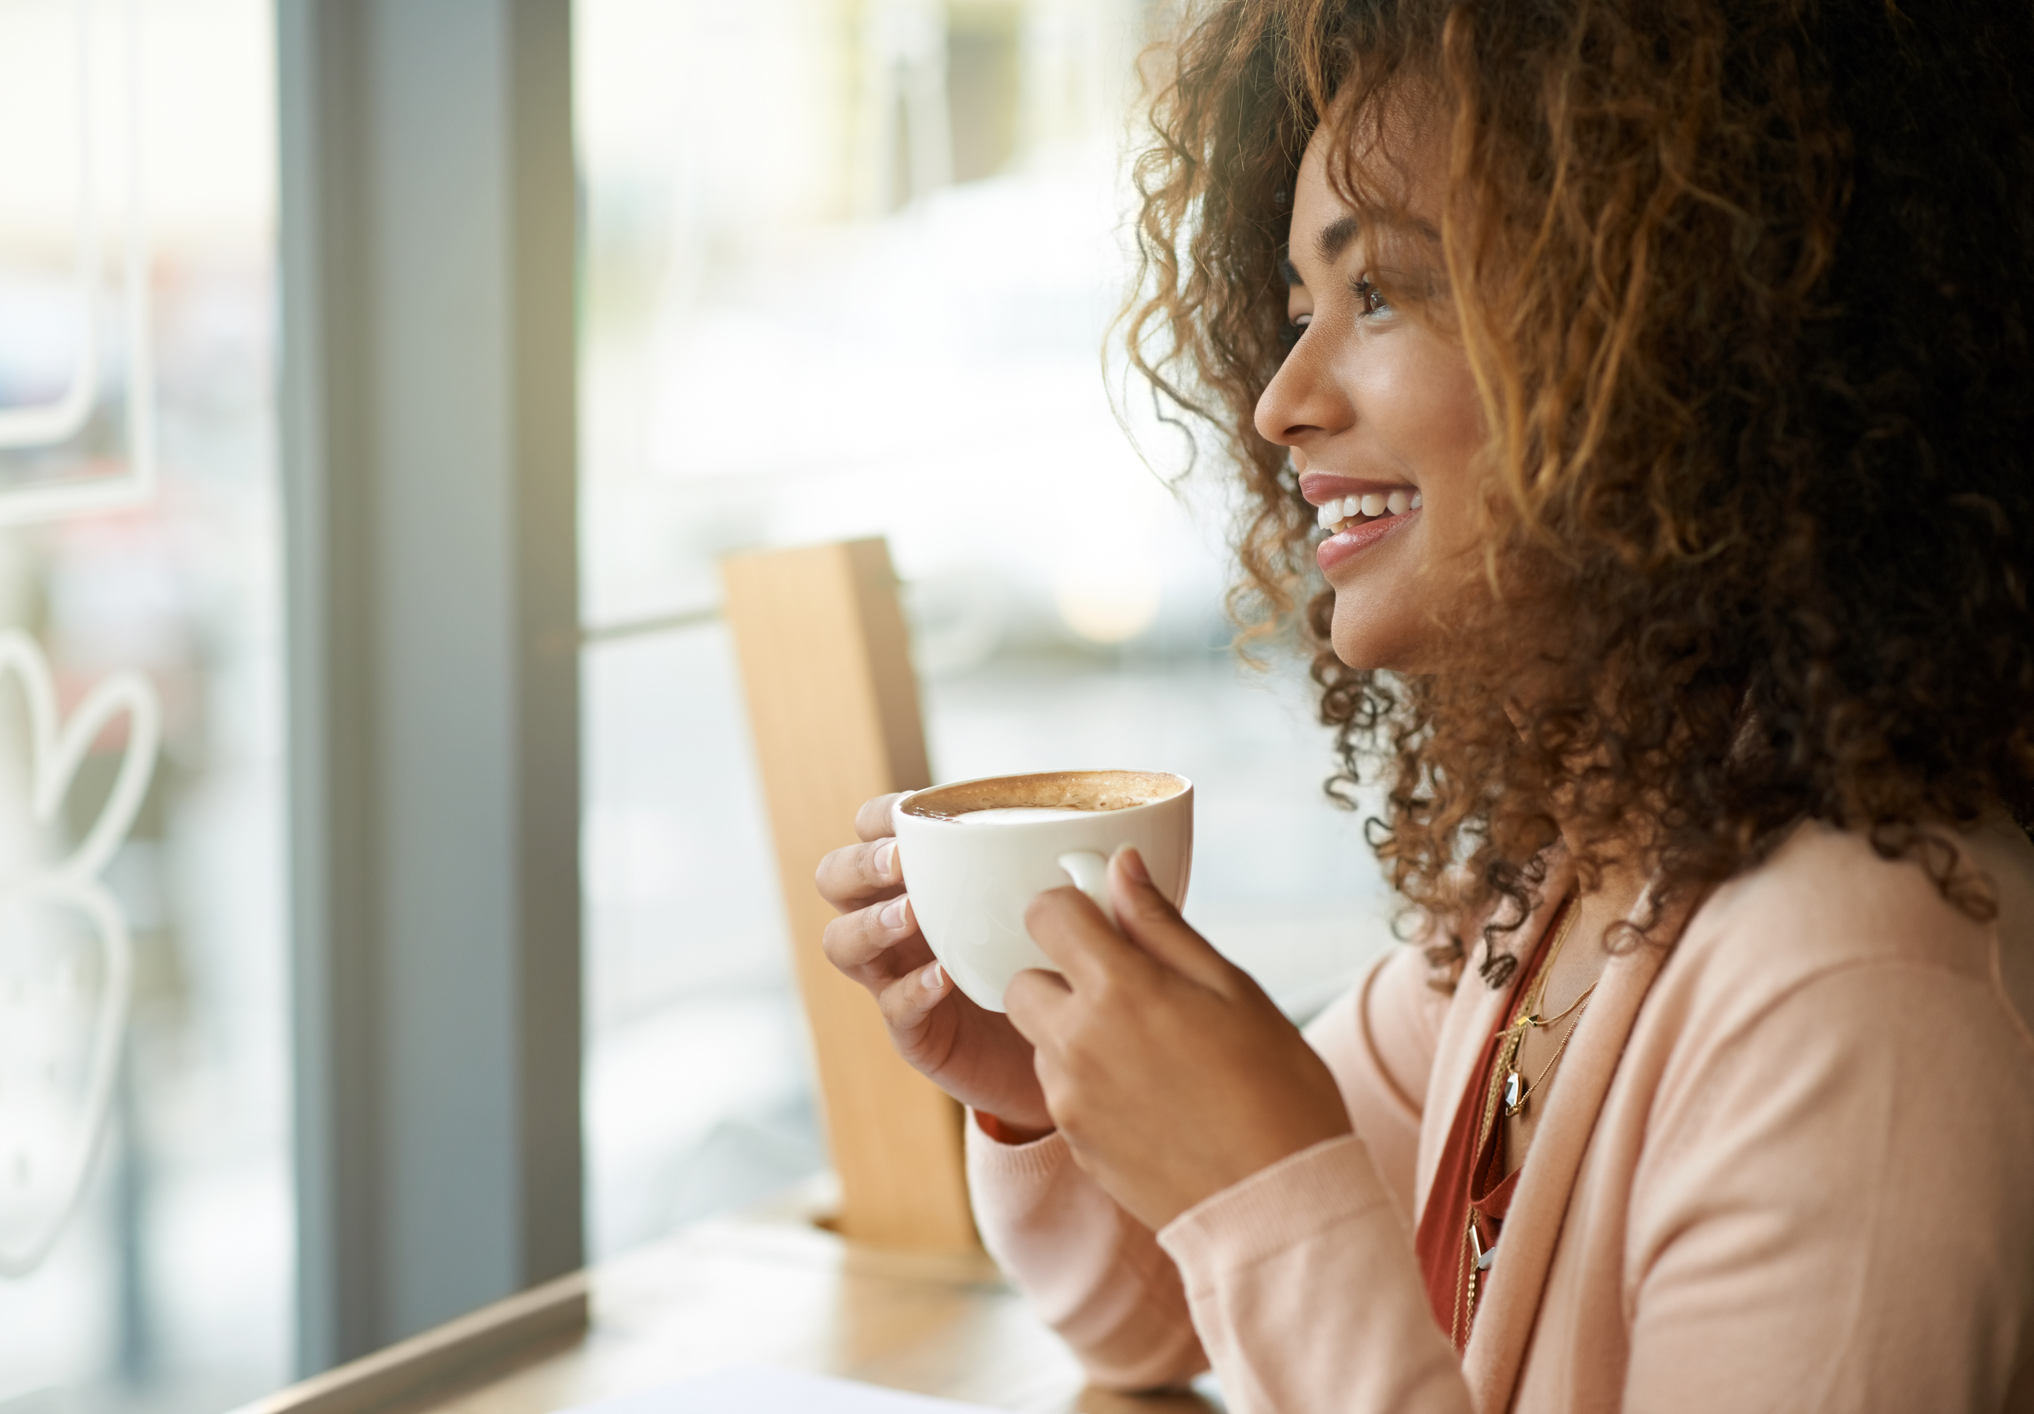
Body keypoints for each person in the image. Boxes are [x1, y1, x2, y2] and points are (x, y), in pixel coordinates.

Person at [815, 0, 2034, 1407]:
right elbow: (1161, 1312)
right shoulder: (1564, 899)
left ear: (1679, 335)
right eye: (1292, 312)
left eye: (1378, 291)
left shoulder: (1859, 994)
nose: (1278, 402)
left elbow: (1272, 1245)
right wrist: (1042, 1080)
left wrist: (1267, 1180)